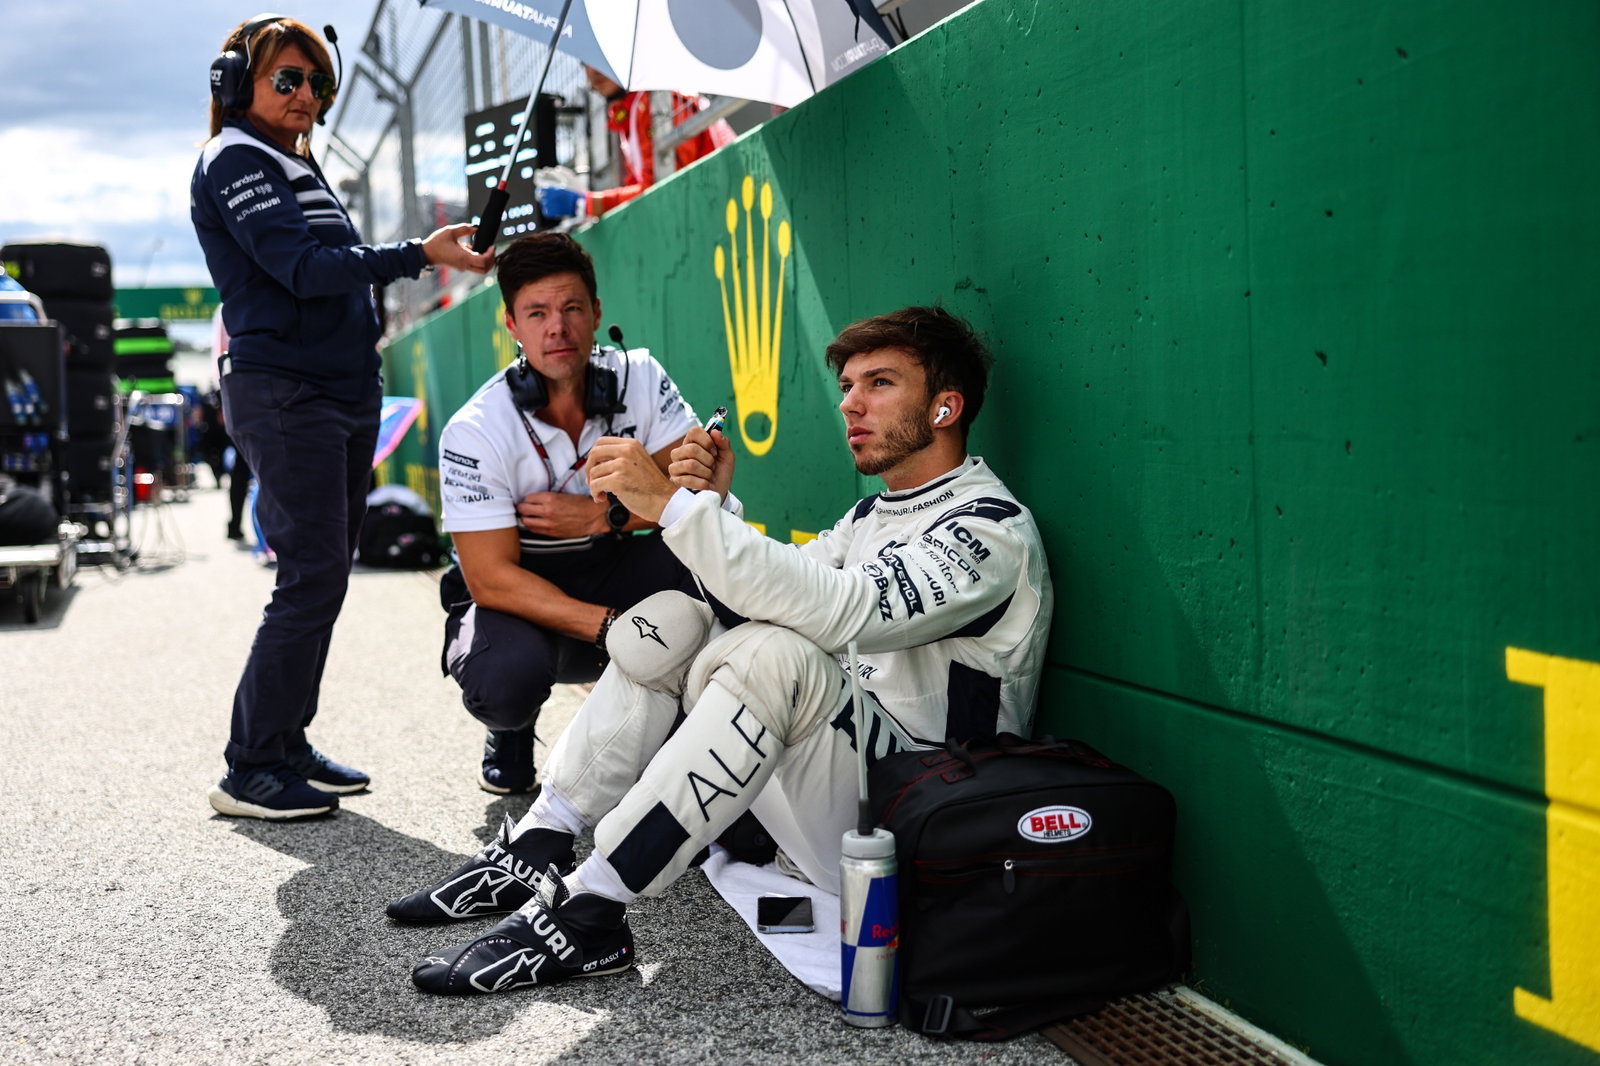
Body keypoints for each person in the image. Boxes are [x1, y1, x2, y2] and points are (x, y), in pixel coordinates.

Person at [392, 306, 1054, 996]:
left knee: (777, 659)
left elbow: (841, 609)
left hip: (919, 826)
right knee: (675, 622)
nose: (850, 404)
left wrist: (672, 508)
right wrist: (712, 501)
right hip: (832, 813)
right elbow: (763, 593)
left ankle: (587, 911)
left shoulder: (991, 530)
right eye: (849, 385)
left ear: (946, 408)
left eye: (879, 384)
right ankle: (541, 839)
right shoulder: (871, 516)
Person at [191, 15, 494, 821]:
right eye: (286, 79)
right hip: (286, 390)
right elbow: (302, 268)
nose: (305, 96)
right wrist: (420, 253)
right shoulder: (234, 158)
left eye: (316, 83)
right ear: (236, 86)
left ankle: (285, 743)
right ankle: (250, 766)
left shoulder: (297, 164)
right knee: (310, 574)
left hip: (338, 388)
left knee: (326, 572)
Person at [429, 232, 701, 798]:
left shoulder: (641, 375)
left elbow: (691, 480)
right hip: (517, 590)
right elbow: (490, 577)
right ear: (512, 326)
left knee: (706, 570)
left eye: (573, 308)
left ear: (597, 312)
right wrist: (613, 629)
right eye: (537, 313)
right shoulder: (475, 427)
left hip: (610, 558)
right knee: (505, 680)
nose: (558, 327)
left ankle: (689, 733)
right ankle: (513, 728)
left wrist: (606, 518)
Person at [536, 67, 736, 222]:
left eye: (603, 59)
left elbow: (666, 188)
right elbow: (641, 185)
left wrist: (586, 203)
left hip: (723, 212)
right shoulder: (633, 109)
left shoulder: (658, 102)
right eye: (586, 63)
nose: (593, 71)